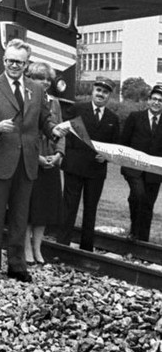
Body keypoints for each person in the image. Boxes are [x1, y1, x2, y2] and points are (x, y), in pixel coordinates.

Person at [0, 39, 63, 284]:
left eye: (19, 62)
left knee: (20, 218)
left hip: (26, 163)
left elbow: (45, 119)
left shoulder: (37, 89)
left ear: (26, 64)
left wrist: (54, 130)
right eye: (10, 61)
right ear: (4, 60)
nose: (14, 65)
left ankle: (17, 265)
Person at [57, 76, 120, 252]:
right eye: (98, 90)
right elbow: (64, 133)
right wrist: (68, 155)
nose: (101, 94)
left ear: (109, 96)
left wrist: (107, 157)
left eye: (105, 92)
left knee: (91, 209)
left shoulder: (112, 118)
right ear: (92, 91)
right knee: (69, 207)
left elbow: (116, 146)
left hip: (96, 171)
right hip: (74, 167)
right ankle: (62, 245)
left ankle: (86, 249)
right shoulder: (77, 109)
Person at [24, 62, 65, 265]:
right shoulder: (25, 99)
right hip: (33, 161)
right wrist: (37, 157)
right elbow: (24, 134)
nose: (46, 82)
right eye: (41, 78)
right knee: (30, 209)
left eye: (48, 79)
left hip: (51, 162)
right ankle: (26, 250)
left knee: (44, 210)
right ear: (30, 78)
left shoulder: (55, 103)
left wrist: (59, 154)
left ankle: (37, 249)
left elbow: (61, 130)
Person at [119, 84, 162, 242]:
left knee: (147, 204)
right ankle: (134, 232)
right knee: (139, 196)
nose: (157, 102)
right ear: (149, 100)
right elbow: (124, 142)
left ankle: (142, 240)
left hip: (155, 172)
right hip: (133, 169)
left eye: (160, 100)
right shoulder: (135, 117)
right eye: (154, 99)